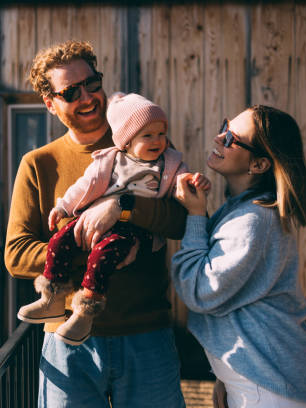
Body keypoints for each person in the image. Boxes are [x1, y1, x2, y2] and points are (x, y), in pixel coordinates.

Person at [5, 40, 187, 407]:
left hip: (146, 334)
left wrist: (123, 207)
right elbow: (17, 254)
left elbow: (180, 221)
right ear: (50, 103)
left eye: (92, 83)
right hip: (66, 344)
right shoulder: (38, 164)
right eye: (71, 91)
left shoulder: (145, 142)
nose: (87, 97)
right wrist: (93, 249)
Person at [17, 92, 210, 346]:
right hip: (91, 219)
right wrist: (63, 207)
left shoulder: (170, 163)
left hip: (132, 231)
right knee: (59, 240)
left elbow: (181, 201)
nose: (159, 141)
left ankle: (86, 311)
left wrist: (193, 183)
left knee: (104, 254)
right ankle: (52, 298)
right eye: (148, 135)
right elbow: (84, 185)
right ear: (127, 141)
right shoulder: (109, 159)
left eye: (161, 133)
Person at [171, 106, 306, 408]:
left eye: (231, 137)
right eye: (225, 126)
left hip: (273, 390)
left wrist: (195, 216)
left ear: (258, 164)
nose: (219, 137)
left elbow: (199, 290)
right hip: (263, 381)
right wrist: (227, 375)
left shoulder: (253, 220)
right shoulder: (243, 211)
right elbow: (244, 300)